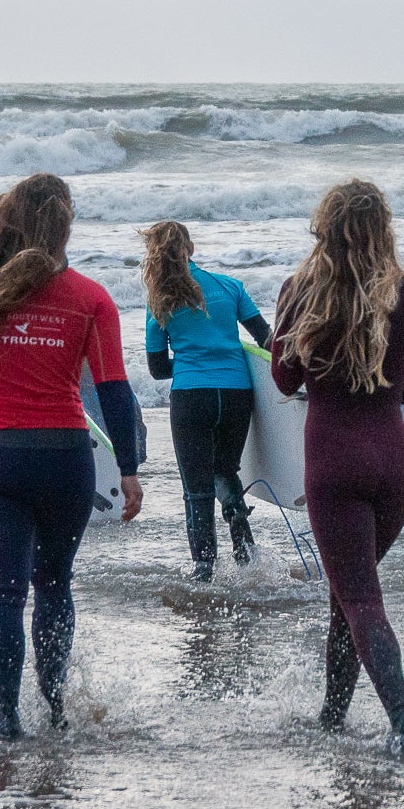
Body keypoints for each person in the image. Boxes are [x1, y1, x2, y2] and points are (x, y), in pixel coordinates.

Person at [0, 173, 145, 740]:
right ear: (63, 226)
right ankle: (55, 711)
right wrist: (128, 470)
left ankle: (4, 720)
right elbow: (115, 389)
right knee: (54, 587)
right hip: (66, 460)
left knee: (3, 595)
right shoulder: (90, 297)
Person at [270, 180, 404, 751]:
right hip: (395, 465)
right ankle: (332, 718)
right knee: (348, 595)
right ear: (383, 229)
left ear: (325, 229)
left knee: (360, 598)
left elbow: (285, 379)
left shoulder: (299, 292)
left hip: (334, 465)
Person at [140, 220, 272, 579]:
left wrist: (191, 359)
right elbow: (266, 339)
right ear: (191, 248)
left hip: (191, 397)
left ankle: (204, 569)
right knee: (225, 470)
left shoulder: (160, 301)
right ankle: (245, 550)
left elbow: (156, 368)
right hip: (236, 394)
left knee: (196, 488)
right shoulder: (230, 287)